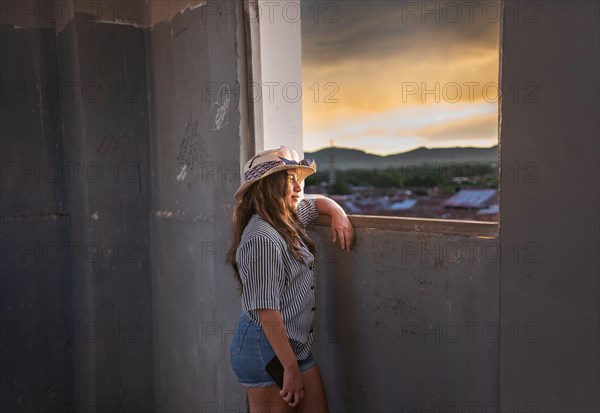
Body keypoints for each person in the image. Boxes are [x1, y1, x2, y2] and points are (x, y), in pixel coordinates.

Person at [228, 145, 354, 412]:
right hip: (267, 349)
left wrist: (338, 213)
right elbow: (267, 313)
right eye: (289, 180)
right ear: (268, 187)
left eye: (299, 181)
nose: (299, 188)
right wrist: (289, 368)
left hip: (292, 347)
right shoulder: (261, 238)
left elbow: (317, 203)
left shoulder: (287, 219)